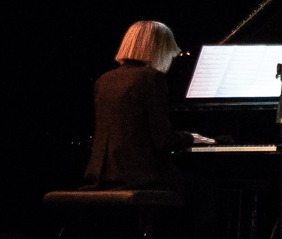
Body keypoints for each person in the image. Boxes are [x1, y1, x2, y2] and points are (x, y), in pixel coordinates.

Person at [86, 21, 211, 191]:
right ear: (160, 49)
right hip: (138, 177)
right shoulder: (151, 78)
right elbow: (163, 141)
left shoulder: (104, 79)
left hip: (101, 176)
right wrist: (191, 137)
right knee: (207, 187)